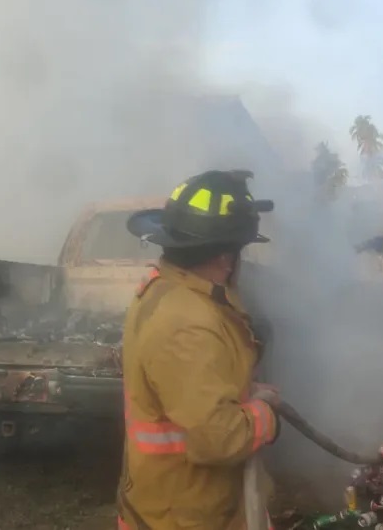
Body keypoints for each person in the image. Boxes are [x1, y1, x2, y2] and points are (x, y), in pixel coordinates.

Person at [118, 170, 281, 530]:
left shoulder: (165, 290)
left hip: (175, 502)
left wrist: (244, 392)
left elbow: (193, 387)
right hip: (187, 515)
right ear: (225, 258)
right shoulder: (187, 323)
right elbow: (217, 439)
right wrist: (266, 417)